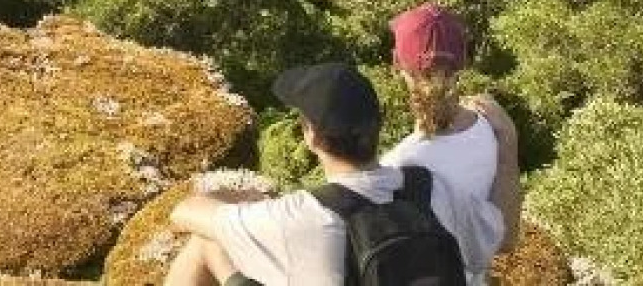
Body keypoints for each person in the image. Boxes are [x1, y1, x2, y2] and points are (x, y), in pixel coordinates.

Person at [166, 62, 502, 285]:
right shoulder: (429, 188)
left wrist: (249, 199)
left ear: (311, 135)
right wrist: (507, 147)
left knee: (206, 243)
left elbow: (184, 212)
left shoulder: (299, 216)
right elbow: (499, 235)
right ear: (377, 127)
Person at [381, 2, 522, 271]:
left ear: (396, 63)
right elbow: (505, 241)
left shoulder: (396, 167)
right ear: (462, 62)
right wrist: (510, 143)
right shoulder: (495, 128)